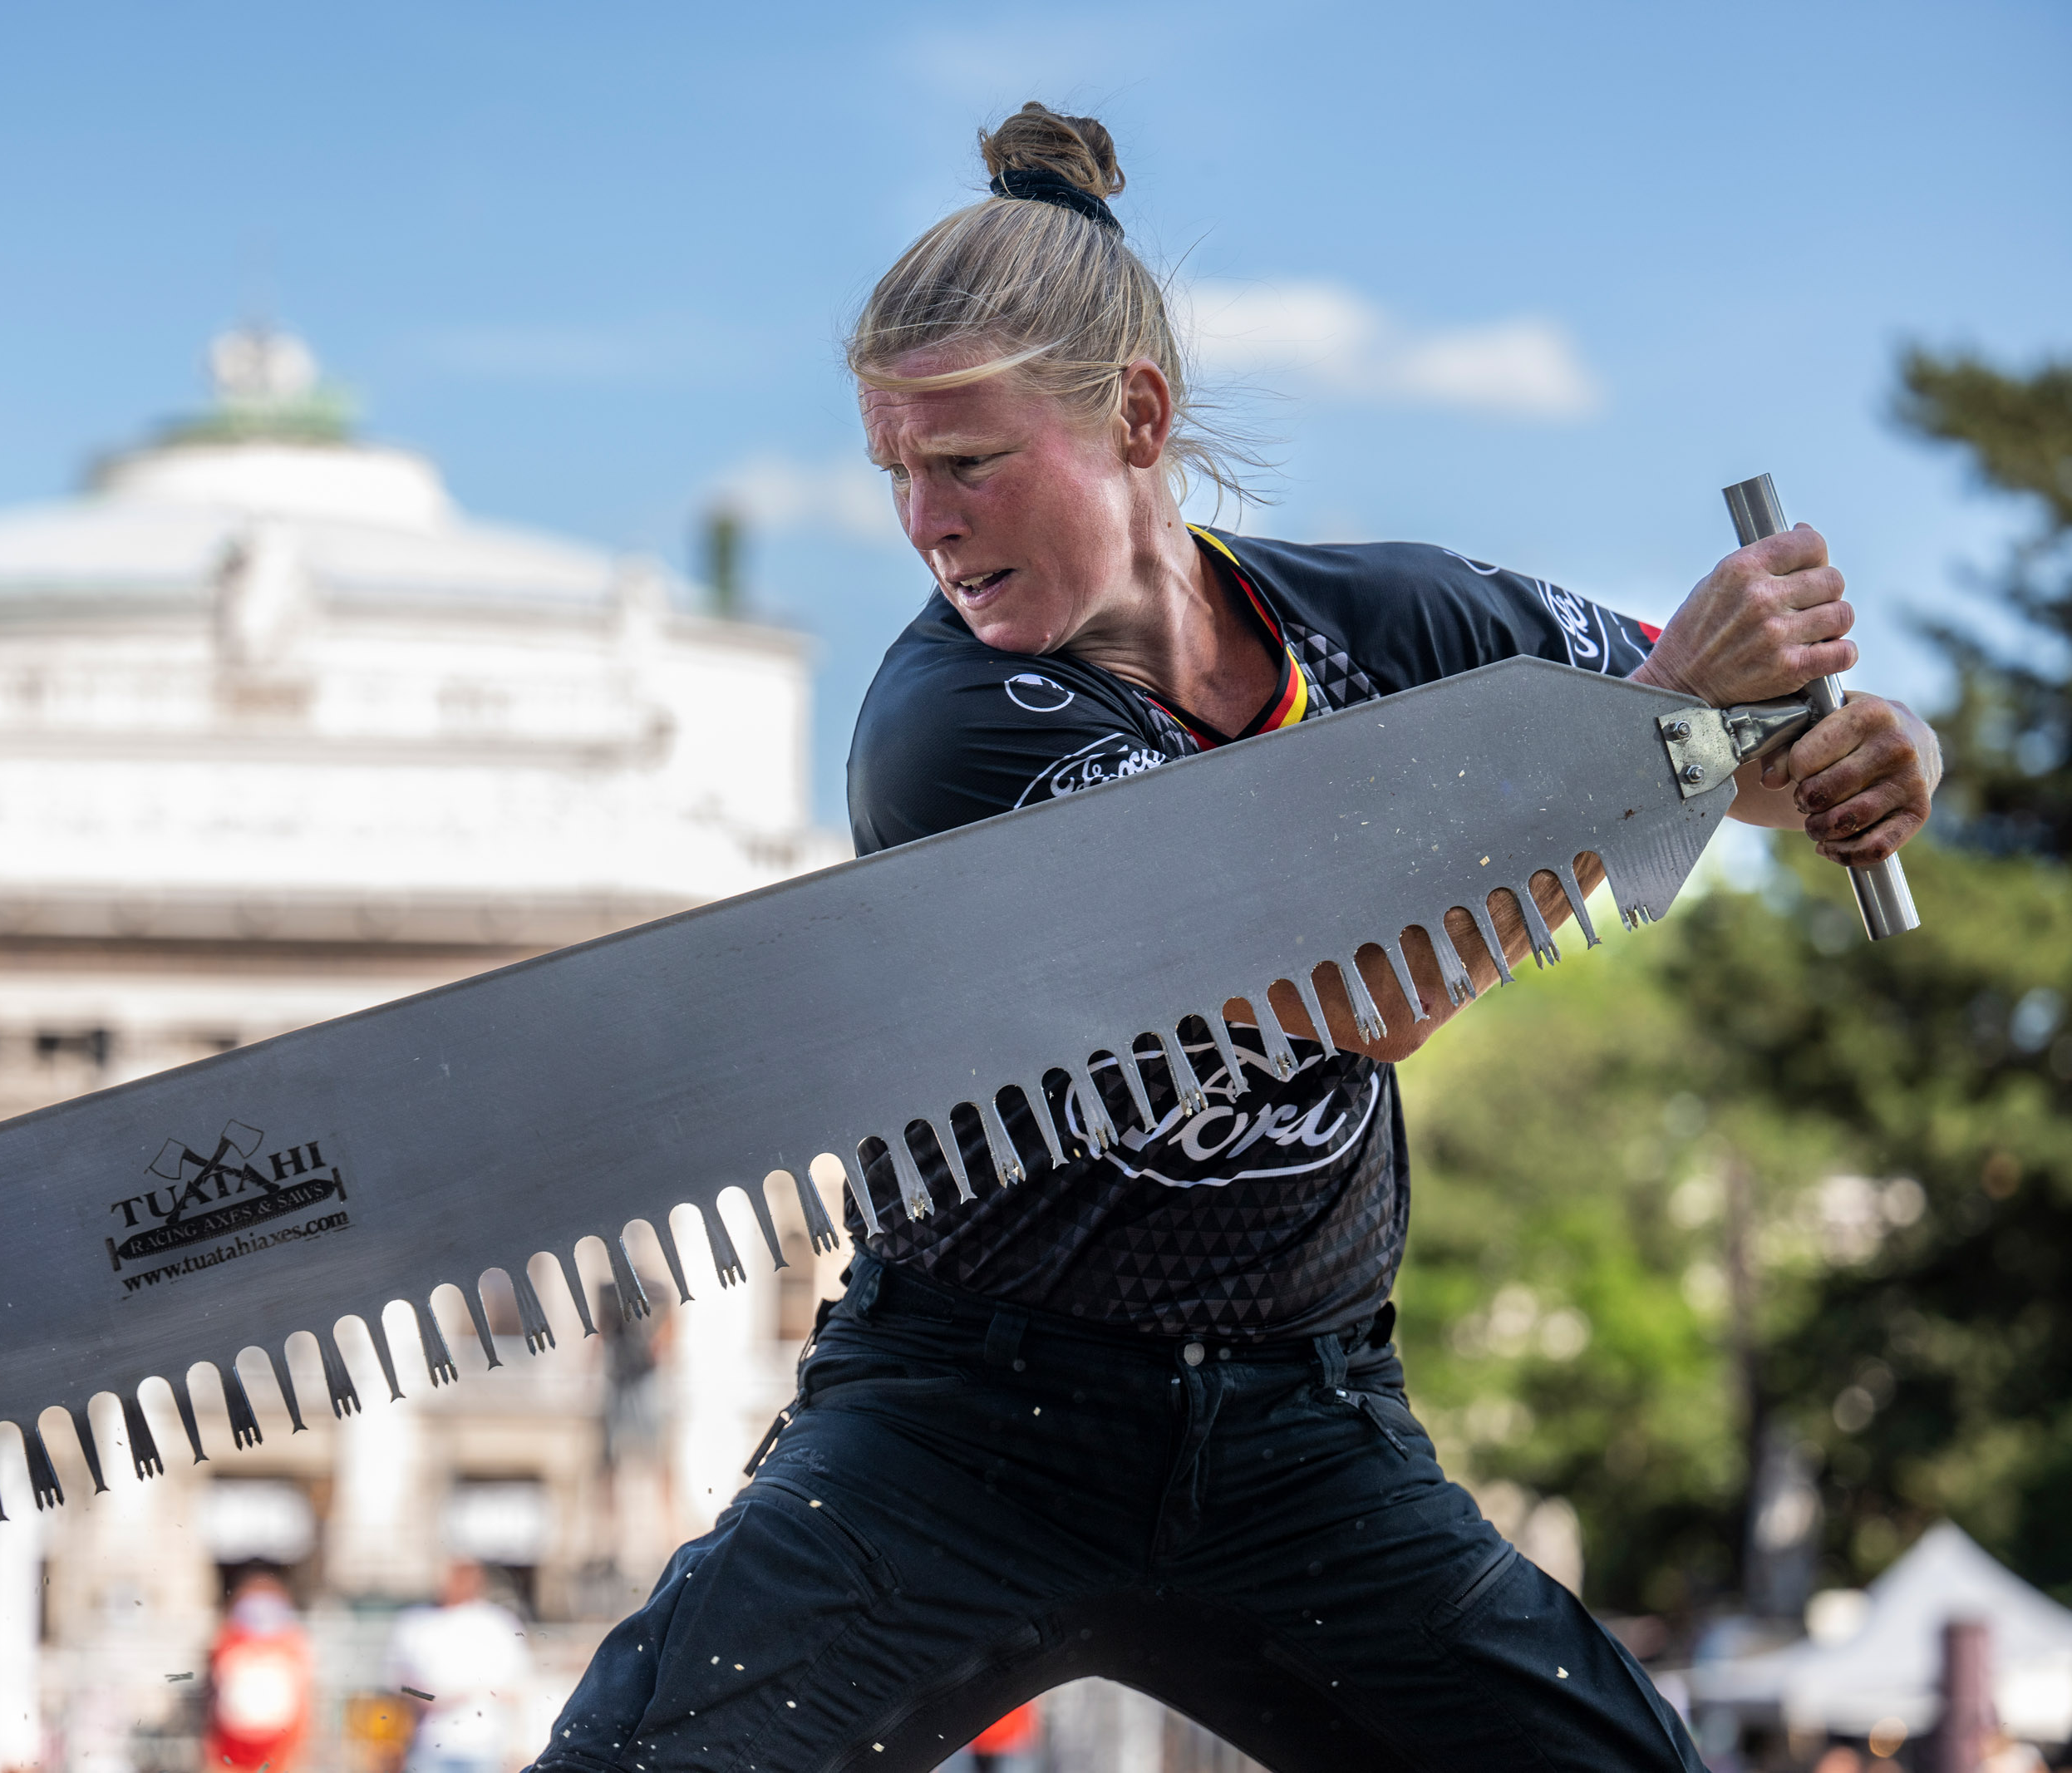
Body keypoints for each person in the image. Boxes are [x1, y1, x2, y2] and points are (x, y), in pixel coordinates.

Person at [531, 104, 1940, 1773]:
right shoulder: (953, 725)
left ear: (1136, 416)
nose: (923, 520)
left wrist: (1859, 753)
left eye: (968, 463)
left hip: (1302, 1424)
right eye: (894, 472)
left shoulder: (1393, 623)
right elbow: (1361, 985)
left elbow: (1741, 729)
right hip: (964, 1424)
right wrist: (1667, 727)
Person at [386, 1559, 530, 1773]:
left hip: (487, 1748)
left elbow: (520, 1687)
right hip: (431, 1746)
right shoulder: (415, 1621)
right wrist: (431, 1698)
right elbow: (398, 1683)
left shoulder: (498, 1623)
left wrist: (518, 1745)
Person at [205, 1566, 315, 1773]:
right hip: (235, 1739)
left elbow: (301, 1692)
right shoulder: (230, 1639)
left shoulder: (290, 1642)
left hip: (277, 1739)